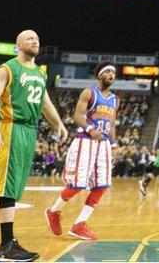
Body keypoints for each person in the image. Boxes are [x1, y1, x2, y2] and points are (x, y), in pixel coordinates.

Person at [0, 30, 69, 262]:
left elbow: (46, 103)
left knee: (12, 189)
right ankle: (6, 246)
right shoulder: (8, 68)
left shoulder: (40, 75)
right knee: (7, 188)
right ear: (19, 44)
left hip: (28, 132)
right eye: (30, 38)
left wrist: (59, 124)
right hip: (10, 128)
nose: (35, 40)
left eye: (38, 39)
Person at [46, 63, 119, 241]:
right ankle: (53, 211)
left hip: (104, 145)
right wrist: (90, 129)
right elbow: (77, 116)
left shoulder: (115, 99)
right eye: (107, 72)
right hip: (86, 141)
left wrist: (114, 145)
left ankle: (79, 224)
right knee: (77, 184)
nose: (111, 74)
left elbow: (111, 124)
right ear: (99, 76)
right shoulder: (89, 92)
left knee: (102, 185)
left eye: (113, 72)